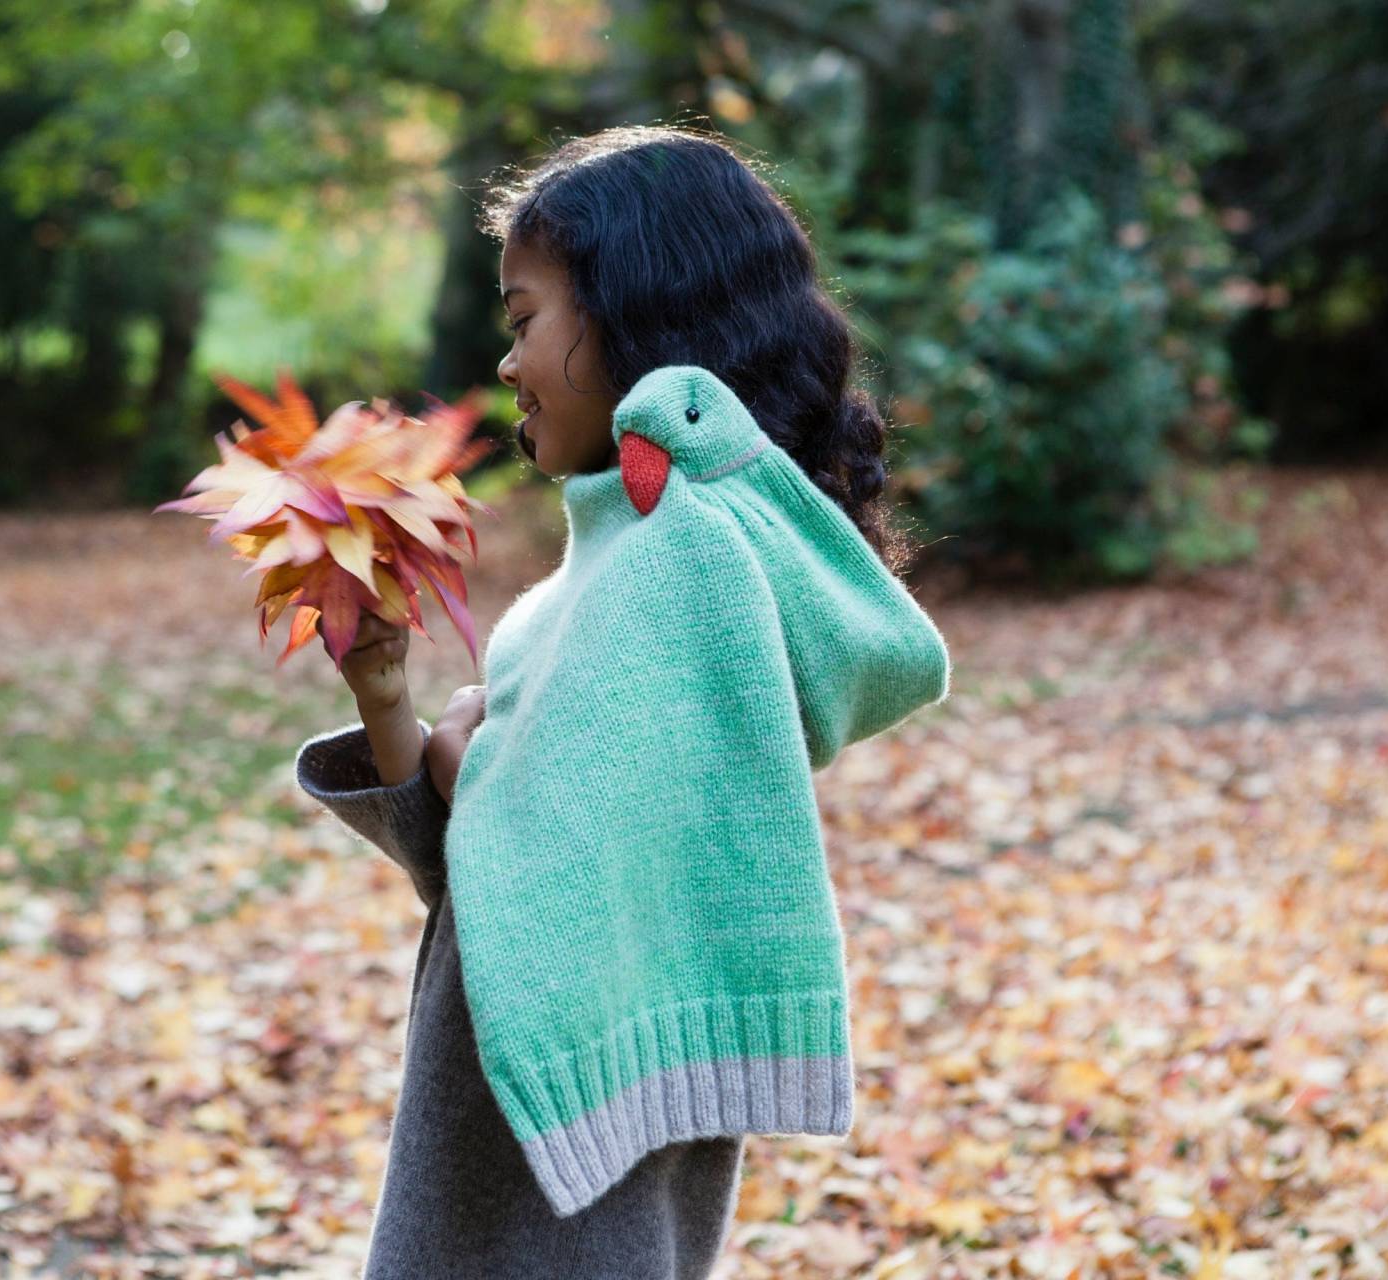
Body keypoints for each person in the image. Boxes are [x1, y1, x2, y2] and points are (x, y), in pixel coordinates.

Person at [294, 124, 941, 1279]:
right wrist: (392, 702)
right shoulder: (612, 560)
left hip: (584, 1100)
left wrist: (462, 756)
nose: (505, 364)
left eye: (524, 318)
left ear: (636, 316)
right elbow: (492, 871)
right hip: (533, 1072)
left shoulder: (679, 562)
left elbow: (562, 836)